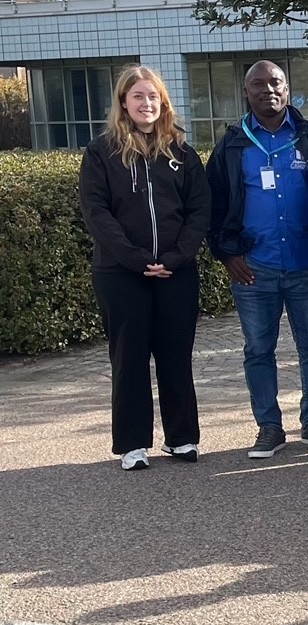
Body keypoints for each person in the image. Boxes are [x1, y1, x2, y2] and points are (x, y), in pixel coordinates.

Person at [206, 60, 308, 459]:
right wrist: (226, 253)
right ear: (246, 92)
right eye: (258, 84)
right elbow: (211, 204)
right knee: (258, 350)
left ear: (287, 89)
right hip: (254, 268)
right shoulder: (232, 144)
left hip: (307, 265)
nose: (268, 89)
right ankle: (268, 426)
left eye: (276, 82)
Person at [79, 65, 210, 471]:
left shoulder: (182, 153)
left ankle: (182, 438)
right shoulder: (101, 152)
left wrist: (174, 257)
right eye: (138, 96)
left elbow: (199, 210)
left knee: (175, 356)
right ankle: (133, 444)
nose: (146, 103)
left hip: (176, 271)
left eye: (153, 97)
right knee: (130, 357)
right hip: (121, 274)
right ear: (123, 102)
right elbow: (96, 211)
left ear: (163, 102)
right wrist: (136, 259)